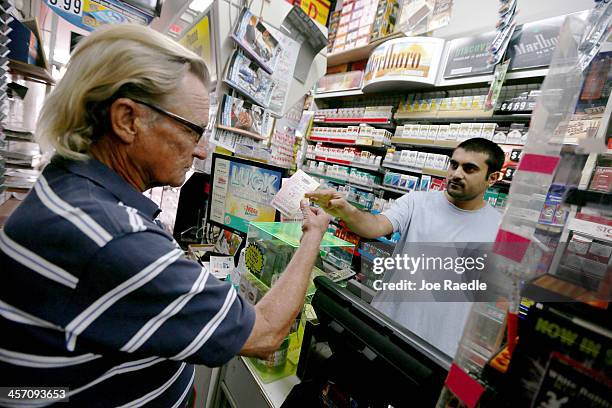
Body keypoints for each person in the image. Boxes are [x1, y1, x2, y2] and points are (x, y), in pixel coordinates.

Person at [0, 24, 330, 407]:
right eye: (193, 131)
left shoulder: (71, 188)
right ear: (127, 119)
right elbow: (266, 333)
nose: (202, 152)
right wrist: (312, 235)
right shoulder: (115, 237)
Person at [306, 138, 505, 356]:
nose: (457, 174)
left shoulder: (501, 229)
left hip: (441, 349)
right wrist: (347, 211)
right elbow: (375, 226)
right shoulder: (417, 202)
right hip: (385, 328)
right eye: (454, 164)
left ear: (492, 178)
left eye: (469, 169)